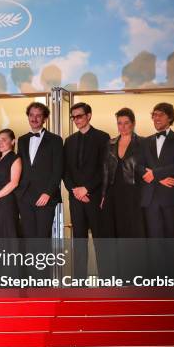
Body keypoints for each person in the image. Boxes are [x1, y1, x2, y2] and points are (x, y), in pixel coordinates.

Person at [140, 103, 174, 284]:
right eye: (153, 115)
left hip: (172, 198)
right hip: (151, 199)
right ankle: (157, 281)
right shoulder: (146, 141)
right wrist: (157, 177)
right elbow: (139, 166)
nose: (156, 118)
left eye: (160, 115)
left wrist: (153, 173)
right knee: (154, 242)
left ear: (170, 117)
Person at [63, 103, 110, 279]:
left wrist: (87, 189)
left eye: (79, 116)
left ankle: (106, 279)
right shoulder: (69, 141)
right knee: (79, 240)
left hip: (94, 196)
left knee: (100, 239)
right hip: (76, 198)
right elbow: (65, 171)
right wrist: (75, 190)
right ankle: (79, 281)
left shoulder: (103, 137)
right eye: (73, 117)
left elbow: (104, 169)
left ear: (89, 115)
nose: (76, 120)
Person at [101, 108, 146, 280]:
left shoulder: (143, 142)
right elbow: (105, 171)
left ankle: (134, 276)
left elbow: (146, 169)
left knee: (133, 234)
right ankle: (116, 276)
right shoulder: (110, 143)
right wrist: (103, 195)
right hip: (113, 194)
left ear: (133, 123)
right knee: (115, 234)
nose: (123, 126)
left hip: (134, 194)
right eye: (120, 123)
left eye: (126, 123)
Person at [15, 102, 63, 239]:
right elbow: (19, 165)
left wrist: (48, 193)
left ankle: (42, 262)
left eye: (38, 116)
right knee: (28, 238)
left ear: (45, 118)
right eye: (31, 115)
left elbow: (58, 169)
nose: (34, 119)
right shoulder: (22, 140)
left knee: (42, 238)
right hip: (25, 197)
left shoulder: (56, 140)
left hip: (45, 196)